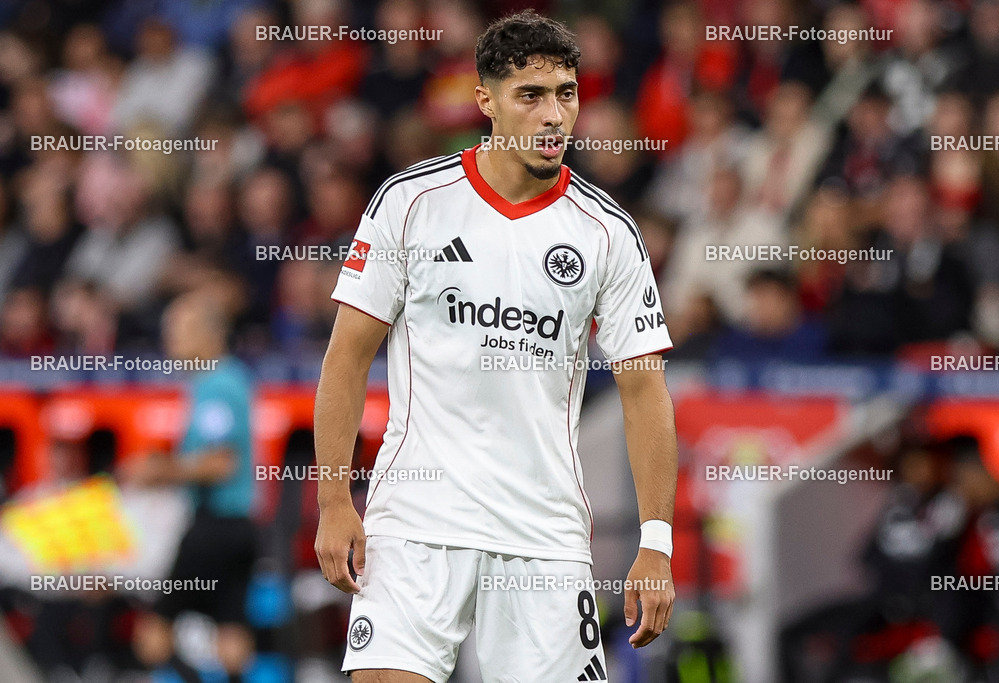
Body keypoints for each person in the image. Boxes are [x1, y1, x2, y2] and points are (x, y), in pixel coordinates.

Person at [314, 10, 678, 682]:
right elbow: (345, 356)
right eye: (531, 96)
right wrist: (335, 500)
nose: (554, 115)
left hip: (543, 535)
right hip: (416, 522)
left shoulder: (607, 232)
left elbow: (644, 388)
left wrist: (656, 540)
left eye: (566, 94)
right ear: (485, 101)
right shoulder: (411, 203)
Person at [126, 291, 257, 683]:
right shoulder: (232, 379)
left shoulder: (215, 386)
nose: (171, 342)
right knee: (231, 631)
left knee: (153, 632)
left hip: (211, 527)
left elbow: (220, 462)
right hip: (242, 526)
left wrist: (159, 473)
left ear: (209, 334)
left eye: (179, 331)